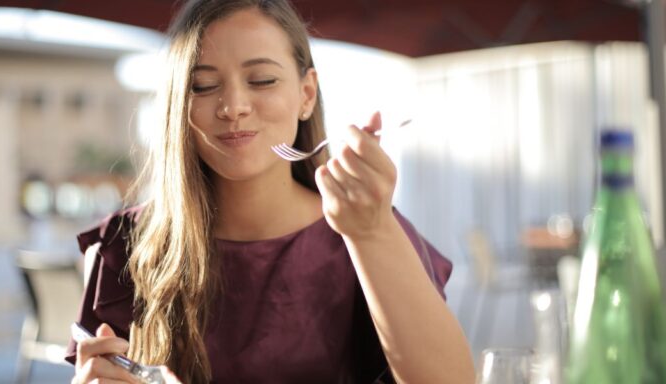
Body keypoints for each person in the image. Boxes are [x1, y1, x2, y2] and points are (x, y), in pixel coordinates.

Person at [67, 0, 475, 383]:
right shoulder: (124, 246)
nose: (233, 106)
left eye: (261, 80)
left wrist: (372, 231)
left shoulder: (366, 229)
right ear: (178, 107)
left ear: (306, 95)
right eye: (204, 86)